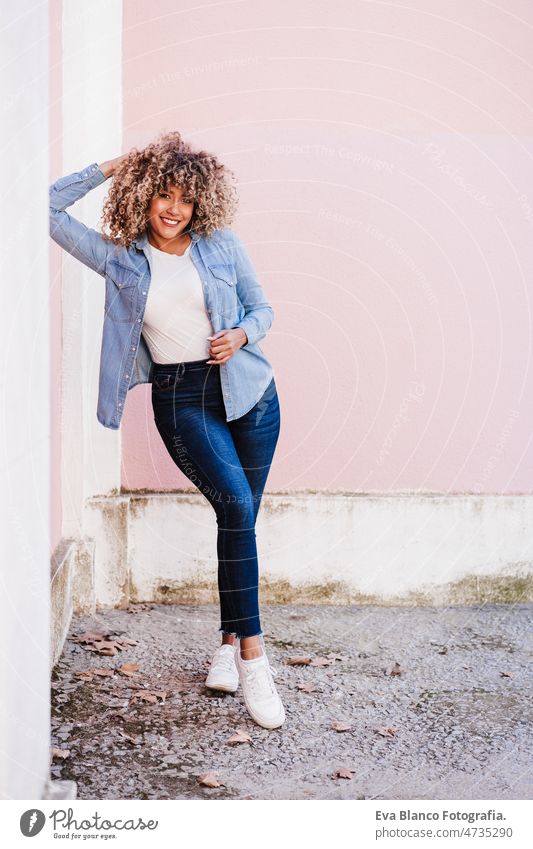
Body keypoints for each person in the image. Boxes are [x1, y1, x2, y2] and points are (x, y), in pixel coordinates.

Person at [49, 130, 285, 729]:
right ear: (143, 196)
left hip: (251, 393)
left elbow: (263, 309)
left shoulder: (221, 245)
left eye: (184, 197)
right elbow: (43, 206)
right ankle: (256, 659)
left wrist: (243, 334)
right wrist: (116, 163)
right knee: (234, 503)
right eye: (162, 193)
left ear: (200, 201)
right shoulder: (118, 257)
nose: (173, 208)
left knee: (240, 518)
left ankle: (229, 647)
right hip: (182, 399)